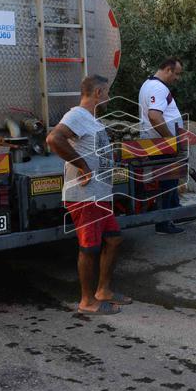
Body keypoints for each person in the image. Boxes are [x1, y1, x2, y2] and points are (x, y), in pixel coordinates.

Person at [46, 75, 128, 315]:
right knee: (89, 248)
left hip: (100, 196)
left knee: (113, 239)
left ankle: (103, 291)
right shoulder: (77, 115)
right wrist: (82, 165)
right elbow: (54, 138)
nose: (109, 96)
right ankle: (87, 301)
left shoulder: (91, 119)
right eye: (108, 91)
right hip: (85, 197)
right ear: (99, 92)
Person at [138, 58, 185, 235]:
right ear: (167, 69)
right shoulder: (158, 88)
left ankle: (174, 213)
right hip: (162, 145)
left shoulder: (148, 84)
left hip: (155, 143)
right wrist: (170, 140)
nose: (177, 78)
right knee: (168, 183)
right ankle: (164, 224)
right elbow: (155, 116)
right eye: (177, 74)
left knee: (170, 181)